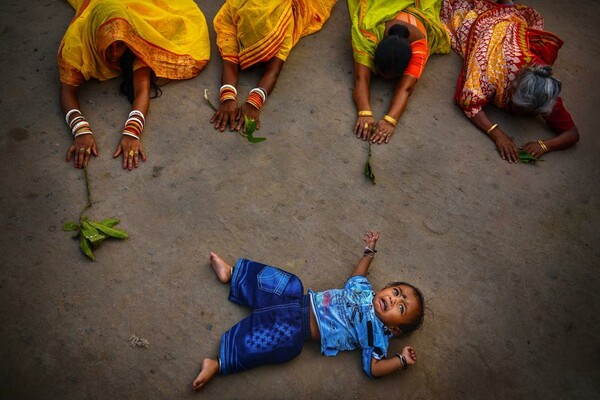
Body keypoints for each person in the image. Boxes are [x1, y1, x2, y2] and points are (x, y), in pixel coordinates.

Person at [192, 231, 424, 391]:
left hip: (298, 329)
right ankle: (233, 275)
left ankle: (219, 363)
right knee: (288, 282)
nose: (393, 300)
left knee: (272, 345)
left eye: (401, 307)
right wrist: (368, 253)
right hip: (298, 299)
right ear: (386, 288)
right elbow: (358, 275)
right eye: (396, 292)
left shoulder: (376, 338)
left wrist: (400, 361)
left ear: (394, 330)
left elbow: (374, 368)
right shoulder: (365, 290)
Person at [58, 0, 210, 170]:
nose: (115, 53)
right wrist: (80, 130)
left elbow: (142, 89)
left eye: (120, 45)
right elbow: (67, 90)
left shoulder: (131, 38)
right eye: (109, 46)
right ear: (94, 36)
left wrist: (132, 132)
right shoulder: (75, 46)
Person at [441, 0, 580, 163]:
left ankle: (505, 6)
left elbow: (572, 134)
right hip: (490, 29)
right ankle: (503, 6)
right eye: (522, 109)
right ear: (513, 89)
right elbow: (468, 101)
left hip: (512, 33)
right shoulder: (493, 73)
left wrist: (544, 145)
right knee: (461, 17)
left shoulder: (545, 93)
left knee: (507, 13)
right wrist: (497, 134)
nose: (525, 116)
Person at [211, 0, 337, 133]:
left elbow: (273, 70)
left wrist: (254, 103)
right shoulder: (230, 13)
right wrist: (227, 97)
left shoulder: (284, 22)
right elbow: (229, 61)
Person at [349, 0, 450, 144]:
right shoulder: (368, 31)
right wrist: (364, 111)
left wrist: (390, 120)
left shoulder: (420, 44)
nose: (384, 79)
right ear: (374, 49)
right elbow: (361, 78)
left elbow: (406, 88)